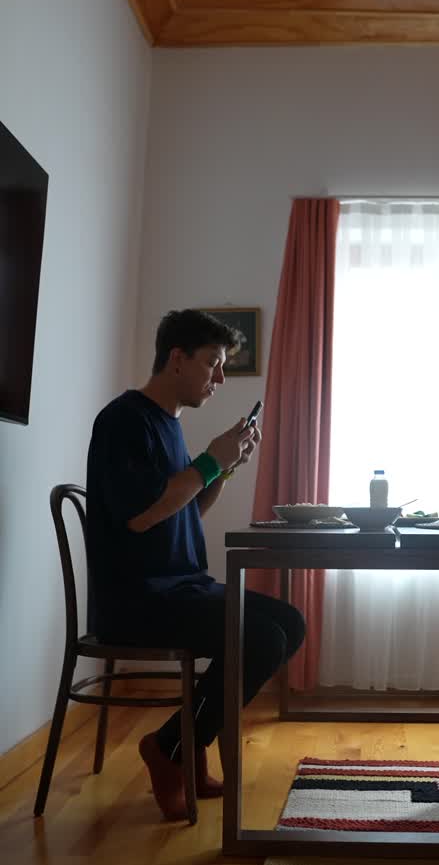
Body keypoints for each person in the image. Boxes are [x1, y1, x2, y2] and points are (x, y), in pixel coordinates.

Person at [86, 309, 305, 821]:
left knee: (289, 624)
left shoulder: (169, 425)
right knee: (262, 639)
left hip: (181, 587)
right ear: (177, 359)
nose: (220, 378)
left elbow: (183, 509)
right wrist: (209, 462)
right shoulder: (124, 420)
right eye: (213, 363)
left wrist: (222, 470)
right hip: (138, 599)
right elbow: (141, 516)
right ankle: (172, 750)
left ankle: (181, 744)